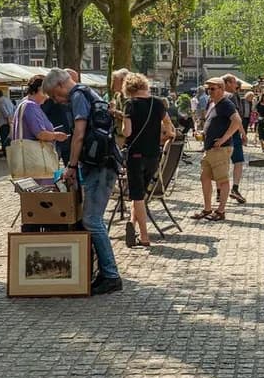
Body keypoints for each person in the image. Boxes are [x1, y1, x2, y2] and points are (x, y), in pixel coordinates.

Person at [43, 67, 123, 295]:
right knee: (92, 219)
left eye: (54, 96)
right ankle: (104, 272)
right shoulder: (90, 92)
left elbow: (79, 133)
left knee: (92, 220)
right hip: (104, 161)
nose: (56, 101)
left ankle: (110, 275)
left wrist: (72, 164)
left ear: (59, 86)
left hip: (98, 165)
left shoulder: (78, 96)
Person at [123, 72, 175, 249]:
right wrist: (167, 135)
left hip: (135, 155)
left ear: (129, 88)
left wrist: (123, 120)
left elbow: (127, 132)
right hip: (153, 155)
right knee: (140, 194)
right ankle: (132, 223)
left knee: (137, 196)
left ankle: (144, 237)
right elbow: (168, 123)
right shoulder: (158, 103)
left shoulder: (130, 104)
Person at [192, 77, 242, 222]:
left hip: (220, 149)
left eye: (212, 89)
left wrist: (223, 139)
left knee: (222, 180)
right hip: (210, 149)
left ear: (221, 88)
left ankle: (221, 211)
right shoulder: (214, 104)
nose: (210, 92)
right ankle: (207, 209)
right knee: (205, 178)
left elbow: (237, 121)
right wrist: (203, 133)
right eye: (208, 89)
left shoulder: (226, 103)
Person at [11, 75, 69, 145]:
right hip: (32, 153)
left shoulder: (24, 104)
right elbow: (40, 134)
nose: (47, 97)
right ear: (40, 89)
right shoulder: (31, 106)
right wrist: (56, 135)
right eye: (47, 93)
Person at [42, 67, 78, 164]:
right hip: (57, 136)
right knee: (53, 163)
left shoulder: (76, 98)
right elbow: (43, 113)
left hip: (68, 137)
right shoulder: (52, 99)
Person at [222, 73, 248, 204]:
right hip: (233, 133)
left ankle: (220, 192)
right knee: (238, 161)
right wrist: (243, 133)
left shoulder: (216, 96)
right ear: (227, 83)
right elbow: (236, 116)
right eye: (233, 82)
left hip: (220, 134)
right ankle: (235, 188)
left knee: (221, 163)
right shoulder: (232, 96)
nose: (236, 85)